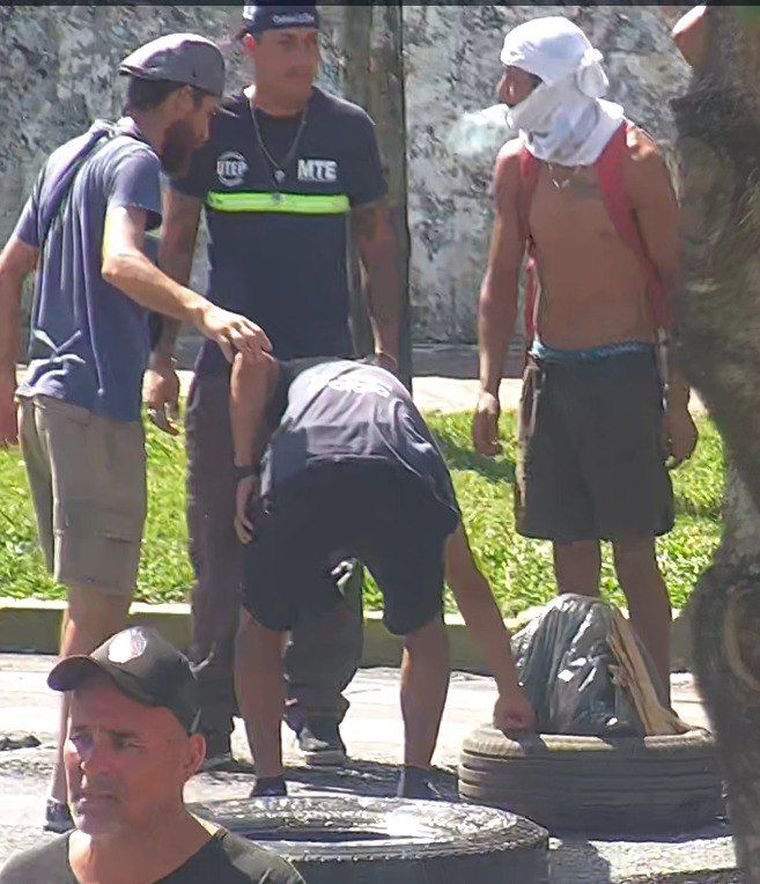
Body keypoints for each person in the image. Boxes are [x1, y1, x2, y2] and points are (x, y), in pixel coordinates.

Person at [0, 34, 271, 833]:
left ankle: (71, 785)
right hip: (92, 404)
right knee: (100, 613)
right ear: (182, 100)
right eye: (210, 109)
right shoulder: (136, 165)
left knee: (87, 602)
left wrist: (4, 385)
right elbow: (121, 262)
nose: (212, 126)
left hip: (51, 400)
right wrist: (205, 312)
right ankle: (68, 797)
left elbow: (11, 267)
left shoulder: (65, 156)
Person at [145, 2, 402, 769]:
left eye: (312, 44)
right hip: (227, 374)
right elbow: (178, 243)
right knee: (220, 542)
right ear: (249, 49)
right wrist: (162, 357)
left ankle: (317, 709)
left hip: (325, 375)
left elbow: (378, 245)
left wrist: (387, 353)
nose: (303, 58)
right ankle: (213, 718)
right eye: (286, 44)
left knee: (329, 535)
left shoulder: (348, 129)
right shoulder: (213, 129)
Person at [471, 16, 698, 694]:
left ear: (560, 81)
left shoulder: (633, 160)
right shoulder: (521, 162)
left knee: (634, 550)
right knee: (570, 552)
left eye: (520, 78)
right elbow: (501, 277)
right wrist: (489, 385)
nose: (505, 90)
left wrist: (678, 401)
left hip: (623, 374)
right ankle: (586, 689)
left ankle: (653, 699)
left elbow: (679, 287)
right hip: (553, 373)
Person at [229, 353, 535, 799]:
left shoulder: (294, 374)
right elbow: (467, 580)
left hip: (305, 474)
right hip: (396, 475)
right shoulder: (401, 411)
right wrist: (511, 691)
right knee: (423, 628)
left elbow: (249, 366)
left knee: (260, 624)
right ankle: (415, 778)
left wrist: (244, 469)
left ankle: (269, 782)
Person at [0, 626, 304, 883]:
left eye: (124, 742)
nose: (91, 763)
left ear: (190, 757)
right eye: (80, 736)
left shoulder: (260, 880)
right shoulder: (25, 878)